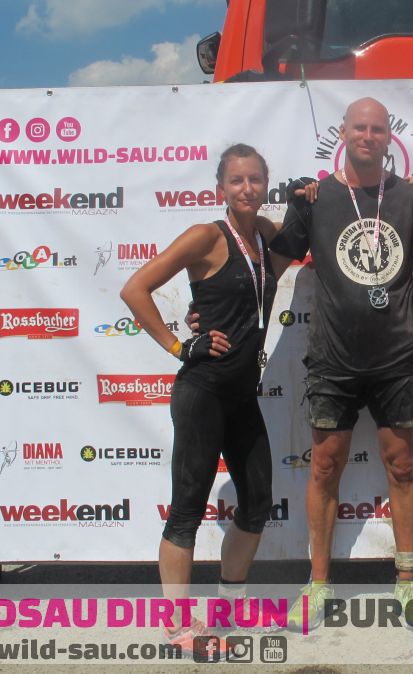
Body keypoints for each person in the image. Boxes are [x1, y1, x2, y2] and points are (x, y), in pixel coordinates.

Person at [270, 97, 413, 630]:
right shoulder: (314, 198)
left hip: (397, 359)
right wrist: (216, 304)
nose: (369, 136)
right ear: (343, 133)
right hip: (333, 360)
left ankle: (408, 580)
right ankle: (318, 583)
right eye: (360, 127)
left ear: (387, 138)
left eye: (377, 129)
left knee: (403, 467)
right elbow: (272, 261)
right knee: (323, 468)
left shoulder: (412, 198)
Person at [120, 144, 289, 648]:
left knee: (257, 502)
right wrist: (179, 345)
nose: (247, 189)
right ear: (221, 188)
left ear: (266, 185)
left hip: (242, 395)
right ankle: (176, 625)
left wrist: (310, 198)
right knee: (187, 509)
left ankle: (229, 607)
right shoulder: (206, 236)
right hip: (203, 392)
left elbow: (305, 236)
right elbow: (134, 289)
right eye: (237, 180)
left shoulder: (266, 234)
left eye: (255, 179)